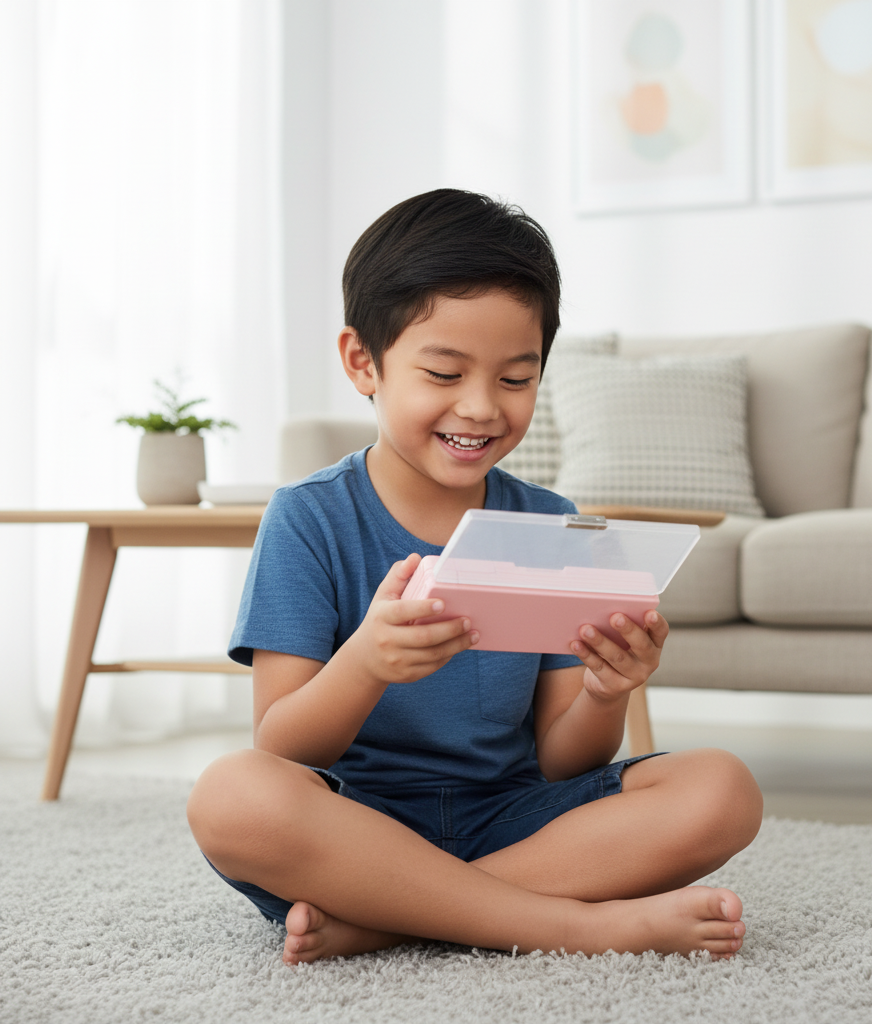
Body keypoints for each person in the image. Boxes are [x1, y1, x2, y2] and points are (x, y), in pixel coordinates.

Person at [187, 189, 763, 964]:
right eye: (444, 372)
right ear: (364, 361)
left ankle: (391, 921)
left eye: (516, 379)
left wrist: (606, 689)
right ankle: (576, 927)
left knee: (723, 789)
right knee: (231, 795)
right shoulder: (308, 517)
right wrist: (364, 665)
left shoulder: (553, 523)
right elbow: (285, 746)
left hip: (515, 817)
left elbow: (568, 764)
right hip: (359, 828)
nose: (482, 407)